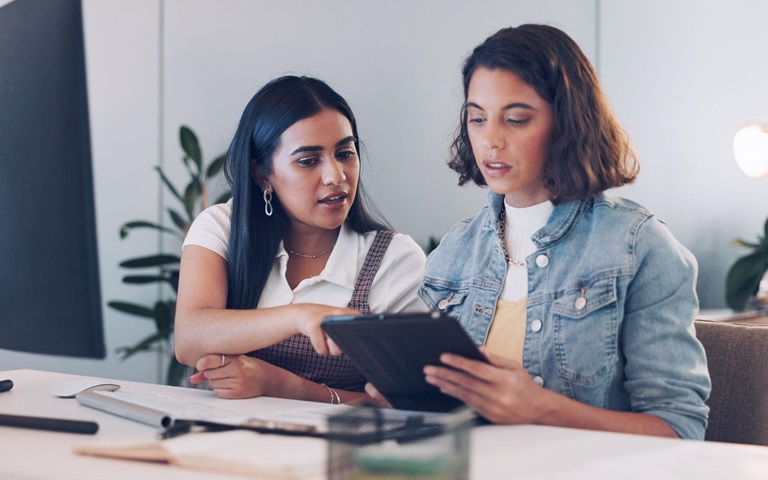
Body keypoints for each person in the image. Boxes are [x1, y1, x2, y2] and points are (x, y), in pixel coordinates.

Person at [413, 24, 710, 439]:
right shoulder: (455, 250)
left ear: (568, 122)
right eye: (477, 118)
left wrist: (541, 409)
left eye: (516, 119)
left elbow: (680, 428)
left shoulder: (637, 245)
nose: (490, 141)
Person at [175, 75, 426, 404]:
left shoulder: (395, 260)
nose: (336, 176)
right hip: (225, 443)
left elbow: (411, 403)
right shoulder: (222, 227)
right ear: (262, 174)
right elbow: (190, 338)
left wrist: (281, 385)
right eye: (309, 161)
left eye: (345, 153)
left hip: (339, 451)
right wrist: (299, 316)